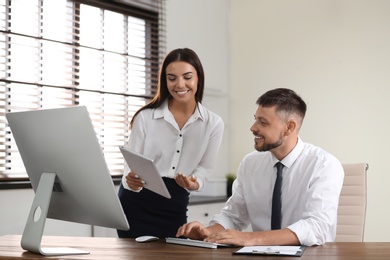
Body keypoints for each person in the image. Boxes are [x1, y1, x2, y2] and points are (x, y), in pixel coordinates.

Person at [176, 88, 344, 246]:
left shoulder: (324, 165)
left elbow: (316, 227)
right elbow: (233, 217)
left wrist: (251, 238)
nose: (253, 127)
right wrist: (208, 232)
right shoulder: (250, 164)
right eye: (255, 119)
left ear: (289, 127)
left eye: (263, 122)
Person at [117, 48, 224, 238]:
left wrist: (194, 183)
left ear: (198, 78)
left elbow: (204, 168)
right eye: (172, 78)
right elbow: (130, 165)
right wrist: (130, 179)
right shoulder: (145, 117)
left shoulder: (213, 123)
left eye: (187, 77)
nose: (180, 84)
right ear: (165, 81)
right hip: (135, 204)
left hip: (174, 204)